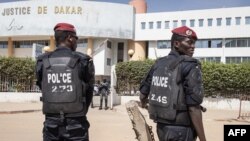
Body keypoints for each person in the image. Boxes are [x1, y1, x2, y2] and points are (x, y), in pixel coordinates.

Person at [139, 26, 206, 141]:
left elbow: (142, 95)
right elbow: (193, 109)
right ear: (176, 44)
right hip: (182, 132)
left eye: (194, 43)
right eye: (189, 42)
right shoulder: (190, 65)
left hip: (161, 129)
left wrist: (150, 105)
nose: (193, 46)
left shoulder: (158, 64)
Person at [36, 23, 95, 141]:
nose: (76, 42)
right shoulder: (83, 60)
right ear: (70, 38)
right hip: (76, 123)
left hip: (51, 124)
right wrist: (79, 111)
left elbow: (43, 87)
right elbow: (89, 91)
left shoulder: (42, 61)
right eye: (76, 38)